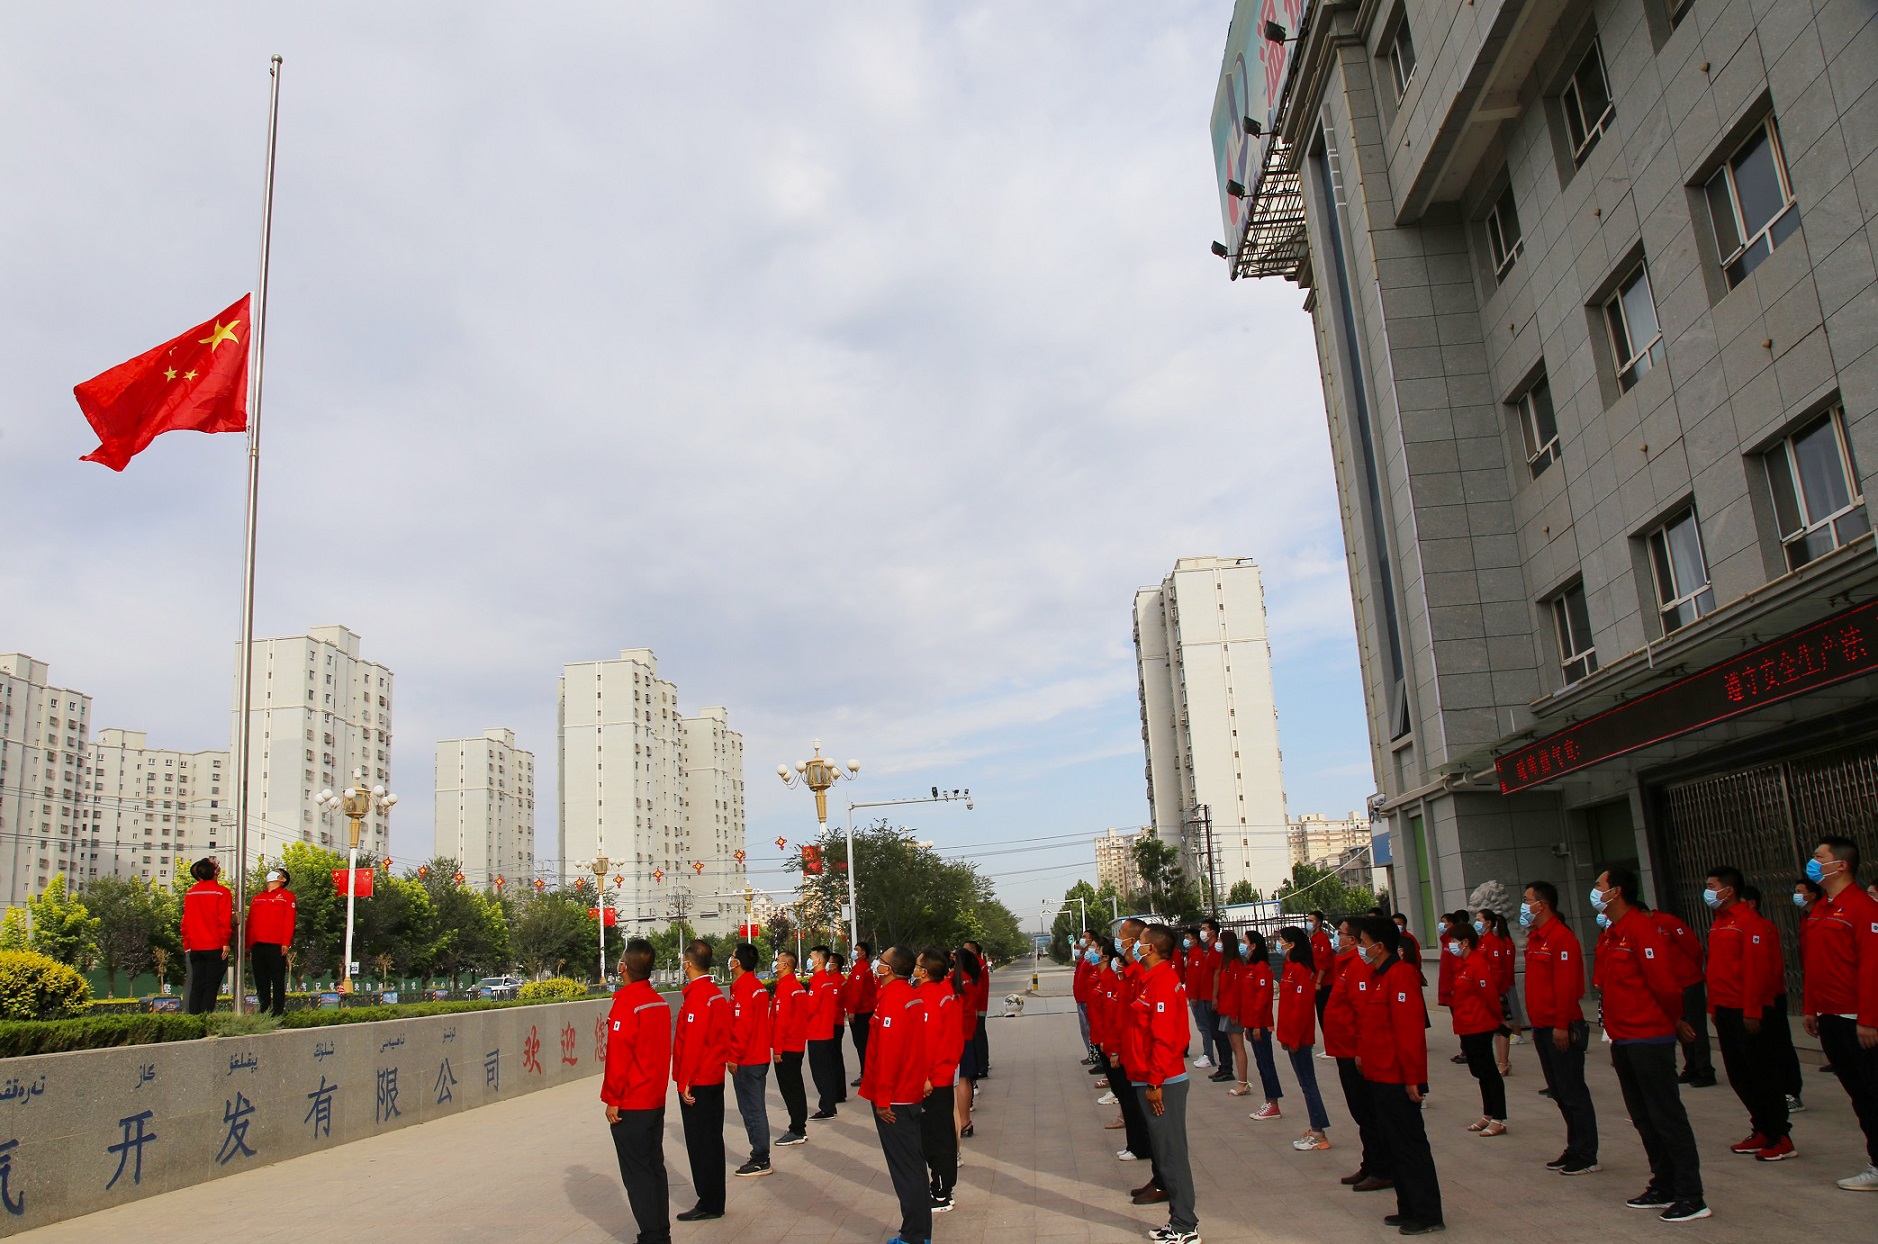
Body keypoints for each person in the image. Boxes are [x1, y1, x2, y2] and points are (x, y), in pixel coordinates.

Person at [1592, 866, 1708, 1221]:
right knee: (1642, 1116)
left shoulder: (1642, 929)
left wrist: (1675, 1020)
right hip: (1624, 1038)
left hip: (1649, 1037)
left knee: (1666, 1115)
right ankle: (1664, 1183)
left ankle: (1692, 1195)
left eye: (1599, 885)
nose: (1594, 891)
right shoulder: (1612, 934)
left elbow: (1666, 985)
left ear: (1617, 891)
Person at [1354, 917, 1443, 1236]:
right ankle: (1408, 1207)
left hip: (1397, 1077)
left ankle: (1427, 1212)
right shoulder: (1379, 975)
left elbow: (1409, 1033)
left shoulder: (1402, 975)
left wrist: (1413, 1078)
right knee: (1394, 1145)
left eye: (1363, 942)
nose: (1361, 948)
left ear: (1380, 946)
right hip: (1379, 1075)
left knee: (1410, 1145)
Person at [1798, 836, 1878, 1192]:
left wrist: (1869, 1018)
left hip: (1857, 1021)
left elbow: (1872, 966)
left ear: (1841, 865)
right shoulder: (1821, 908)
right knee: (1860, 1096)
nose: (1813, 864)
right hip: (1830, 1016)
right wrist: (1811, 1008)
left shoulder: (1862, 908)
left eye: (1819, 857)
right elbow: (1815, 965)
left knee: (1873, 1094)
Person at [1701, 866, 1793, 1162]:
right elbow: (1716, 968)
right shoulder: (1718, 923)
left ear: (1729, 890)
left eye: (1713, 886)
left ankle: (1781, 1136)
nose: (1709, 891)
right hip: (1725, 1009)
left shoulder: (1750, 923)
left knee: (1761, 1073)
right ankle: (1761, 1128)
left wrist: (1753, 1011)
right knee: (1739, 1075)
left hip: (1748, 1011)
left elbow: (1757, 971)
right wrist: (1713, 1007)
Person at [1521, 880, 1597, 1175]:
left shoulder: (1561, 938)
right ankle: (1574, 1146)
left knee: (1573, 1090)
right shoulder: (1536, 938)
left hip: (1560, 1026)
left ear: (1543, 904)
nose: (1524, 906)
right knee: (1560, 1091)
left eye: (1527, 900)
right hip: (1542, 1027)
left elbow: (1568, 986)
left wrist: (1562, 1025)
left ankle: (1587, 1153)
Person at [1132, 924, 1199, 1244]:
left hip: (1164, 1080)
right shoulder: (1151, 980)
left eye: (1140, 943)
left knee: (1171, 1153)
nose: (1135, 947)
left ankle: (1185, 1225)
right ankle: (1178, 1219)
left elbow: (1164, 1038)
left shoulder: (1162, 981)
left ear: (1153, 949)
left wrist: (1155, 1081)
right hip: (1155, 1076)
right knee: (1165, 1152)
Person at [603, 938, 672, 1244]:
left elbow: (618, 1056)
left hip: (632, 1102)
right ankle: (661, 1232)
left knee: (638, 1173)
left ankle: (652, 1236)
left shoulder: (626, 1003)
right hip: (654, 1100)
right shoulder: (658, 1002)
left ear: (624, 968)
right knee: (654, 1168)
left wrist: (612, 1099)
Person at [860, 946, 930, 1244]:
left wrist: (883, 1099)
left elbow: (888, 1054)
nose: (878, 963)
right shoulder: (907, 996)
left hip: (896, 1099)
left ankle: (915, 1236)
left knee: (906, 1169)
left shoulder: (895, 1000)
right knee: (911, 1165)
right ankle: (915, 1231)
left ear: (887, 969)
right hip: (907, 1092)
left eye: (882, 960)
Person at [1326, 916, 1391, 1191]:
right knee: (1360, 1112)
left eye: (1340, 934)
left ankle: (1381, 1168)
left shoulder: (1358, 968)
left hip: (1354, 1051)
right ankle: (1370, 1164)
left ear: (1352, 940)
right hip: (1343, 1049)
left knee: (1367, 1112)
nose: (1336, 938)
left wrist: (1361, 1051)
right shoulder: (1344, 966)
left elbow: (1364, 1014)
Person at [672, 939, 729, 1222]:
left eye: (683, 961)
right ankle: (715, 1198)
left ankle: (708, 1201)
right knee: (712, 1141)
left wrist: (685, 1081)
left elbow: (693, 1043)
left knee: (701, 1143)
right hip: (713, 1077)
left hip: (700, 1081)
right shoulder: (715, 994)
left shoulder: (699, 996)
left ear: (689, 964)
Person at [1739, 884, 1805, 1112]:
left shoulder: (1762, 927)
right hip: (1755, 999)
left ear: (1751, 903)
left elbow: (1765, 969)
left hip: (1772, 996)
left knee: (1780, 1045)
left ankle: (1791, 1091)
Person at [915, 946, 964, 1213]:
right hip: (939, 1076)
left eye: (918, 964)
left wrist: (925, 1077)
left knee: (937, 1138)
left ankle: (943, 1192)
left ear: (924, 971)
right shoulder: (941, 993)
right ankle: (940, 1187)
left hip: (934, 1080)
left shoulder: (934, 997)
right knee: (936, 1135)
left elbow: (929, 1042)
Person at [1448, 920, 1507, 1136]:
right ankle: (1488, 1114)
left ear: (1465, 942)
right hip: (1466, 1025)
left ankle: (1499, 1118)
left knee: (1488, 1071)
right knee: (1479, 1071)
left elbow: (1489, 995)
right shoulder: (1463, 965)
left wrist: (1498, 1019)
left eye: (1454, 941)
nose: (1451, 945)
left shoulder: (1477, 964)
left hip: (1480, 1024)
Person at [1275, 925, 1332, 1151]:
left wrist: (1295, 1038)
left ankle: (1319, 1132)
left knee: (1308, 1084)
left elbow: (1301, 1008)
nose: (1279, 943)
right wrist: (1284, 1036)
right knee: (1304, 1083)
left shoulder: (1300, 970)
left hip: (1300, 1038)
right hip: (1291, 1037)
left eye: (1282, 940)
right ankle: (1316, 1126)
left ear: (1292, 944)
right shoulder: (1290, 968)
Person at [1647, 904, 1715, 1089]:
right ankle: (1691, 1065)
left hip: (1688, 982)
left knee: (1695, 1026)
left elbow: (1693, 948)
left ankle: (1704, 1069)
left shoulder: (1668, 922)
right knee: (1680, 1025)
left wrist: (1690, 971)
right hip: (1671, 986)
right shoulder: (1643, 928)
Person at [726, 943, 774, 1177]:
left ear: (738, 962)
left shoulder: (746, 988)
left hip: (748, 1058)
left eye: (733, 957)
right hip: (758, 1056)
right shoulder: (755, 986)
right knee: (754, 1109)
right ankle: (760, 1154)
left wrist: (733, 1055)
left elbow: (741, 1026)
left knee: (752, 1110)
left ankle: (760, 1157)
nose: (730, 960)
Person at [1241, 929, 1284, 1122]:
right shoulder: (1249, 968)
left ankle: (1273, 1103)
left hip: (1260, 1025)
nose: (1243, 945)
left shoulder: (1261, 969)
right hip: (1252, 1024)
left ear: (1253, 946)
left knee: (1267, 1064)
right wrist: (1247, 1026)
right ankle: (1269, 1101)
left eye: (1245, 942)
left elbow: (1262, 1000)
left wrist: (1257, 1026)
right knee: (1261, 1063)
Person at [181, 857, 233, 1015]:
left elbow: (186, 922)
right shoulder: (222, 892)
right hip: (215, 946)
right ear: (214, 871)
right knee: (211, 987)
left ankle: (195, 1020)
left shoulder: (191, 893)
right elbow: (223, 919)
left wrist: (188, 944)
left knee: (197, 985)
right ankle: (205, 1017)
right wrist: (225, 941)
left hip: (195, 946)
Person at [769, 949, 811, 1147]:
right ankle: (798, 1125)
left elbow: (782, 1021)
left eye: (778, 961)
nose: (775, 963)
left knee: (790, 1088)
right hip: (796, 1044)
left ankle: (797, 1128)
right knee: (795, 1086)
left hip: (787, 1047)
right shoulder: (795, 987)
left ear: (785, 965)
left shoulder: (787, 988)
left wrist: (778, 1049)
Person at [244, 866, 295, 1017]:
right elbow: (250, 921)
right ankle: (264, 1009)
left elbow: (289, 920)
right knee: (261, 978)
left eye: (278, 873)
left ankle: (278, 1012)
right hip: (258, 944)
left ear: (282, 880)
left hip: (276, 944)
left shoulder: (287, 896)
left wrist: (286, 942)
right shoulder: (258, 897)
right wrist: (247, 944)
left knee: (277, 978)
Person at [805, 946, 843, 1119]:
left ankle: (827, 1107)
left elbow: (810, 1008)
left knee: (820, 1073)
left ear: (819, 960)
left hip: (817, 1033)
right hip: (826, 1031)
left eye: (811, 956)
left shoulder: (819, 981)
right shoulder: (827, 980)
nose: (809, 959)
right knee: (827, 1070)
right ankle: (830, 1105)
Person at [953, 945, 984, 1140]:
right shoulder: (968, 978)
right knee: (965, 1078)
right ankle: (965, 1121)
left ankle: (963, 1122)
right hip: (966, 1033)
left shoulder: (955, 980)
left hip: (959, 1035)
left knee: (962, 1079)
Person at [1185, 921, 1223, 1071]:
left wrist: (1195, 996)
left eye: (1204, 929)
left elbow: (1200, 977)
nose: (1202, 931)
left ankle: (1209, 1055)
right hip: (1197, 995)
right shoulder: (1195, 954)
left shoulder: (1200, 955)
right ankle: (1208, 1054)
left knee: (1205, 1027)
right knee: (1205, 1027)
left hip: (1201, 996)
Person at [1217, 928, 1250, 1093]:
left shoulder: (1234, 965)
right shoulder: (1226, 963)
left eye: (1221, 941)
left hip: (1232, 1011)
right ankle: (1242, 1081)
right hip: (1226, 1010)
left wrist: (1235, 1013)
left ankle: (1243, 1082)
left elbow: (1237, 991)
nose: (1219, 944)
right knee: (1234, 1046)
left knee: (1238, 1047)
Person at [843, 940, 880, 1086]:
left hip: (862, 1012)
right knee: (863, 1044)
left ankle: (866, 1074)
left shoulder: (861, 968)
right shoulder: (860, 968)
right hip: (865, 1010)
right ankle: (867, 1073)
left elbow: (855, 992)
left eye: (856, 949)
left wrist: (851, 1011)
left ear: (863, 953)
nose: (854, 951)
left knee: (862, 1044)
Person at [963, 939, 991, 1079]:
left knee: (978, 1036)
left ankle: (981, 1067)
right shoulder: (979, 963)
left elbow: (977, 988)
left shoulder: (977, 964)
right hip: (979, 1005)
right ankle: (982, 1064)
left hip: (977, 1006)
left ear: (973, 951)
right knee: (979, 1035)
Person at [1308, 912, 1334, 1026]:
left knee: (1324, 1015)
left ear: (1318, 923)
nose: (1308, 923)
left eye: (1311, 921)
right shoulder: (1313, 939)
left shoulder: (1322, 939)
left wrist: (1318, 981)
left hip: (1325, 983)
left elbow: (1324, 961)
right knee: (1320, 1014)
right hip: (1318, 982)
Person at [1394, 913, 1422, 980]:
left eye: (1398, 924)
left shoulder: (1409, 938)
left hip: (1408, 975)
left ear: (1404, 925)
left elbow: (1417, 958)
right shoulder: (1391, 939)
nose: (1396, 926)